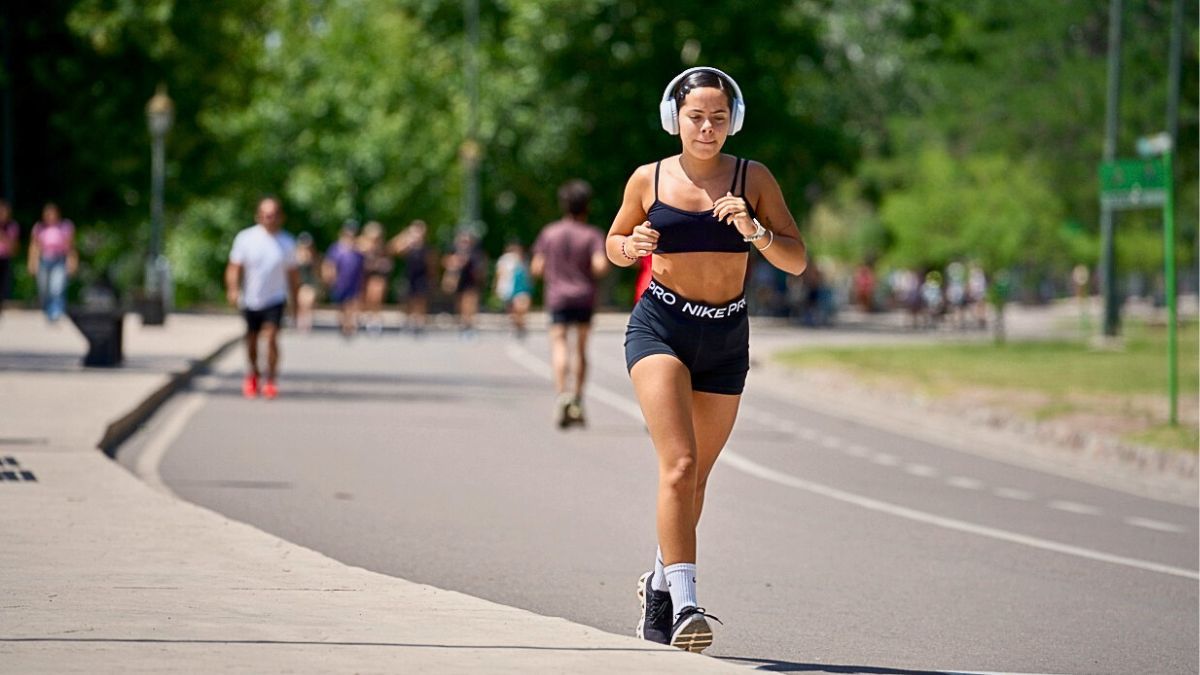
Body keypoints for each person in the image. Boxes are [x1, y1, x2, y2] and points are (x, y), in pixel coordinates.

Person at [606, 67, 806, 652]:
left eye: (719, 118)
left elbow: (796, 260)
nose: (707, 128)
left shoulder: (753, 178)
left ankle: (658, 585)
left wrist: (755, 231)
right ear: (675, 119)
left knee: (696, 480)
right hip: (661, 327)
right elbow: (613, 244)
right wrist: (631, 246)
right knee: (679, 465)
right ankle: (687, 605)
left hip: (725, 337)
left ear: (733, 121)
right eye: (696, 117)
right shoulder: (648, 178)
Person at [531, 180, 608, 428]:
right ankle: (577, 398)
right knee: (581, 349)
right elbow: (600, 266)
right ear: (587, 206)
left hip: (558, 297)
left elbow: (537, 267)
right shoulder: (592, 235)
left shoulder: (549, 233)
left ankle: (562, 394)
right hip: (584, 296)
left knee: (559, 344)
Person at [225, 196, 300, 400]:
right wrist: (233, 289)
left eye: (273, 215)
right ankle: (253, 373)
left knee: (272, 336)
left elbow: (293, 275)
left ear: (280, 217)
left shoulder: (287, 242)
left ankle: (271, 379)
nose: (270, 218)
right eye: (266, 215)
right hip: (251, 298)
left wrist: (295, 302)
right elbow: (234, 268)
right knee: (251, 340)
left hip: (275, 298)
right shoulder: (245, 238)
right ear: (258, 216)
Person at [28, 203, 78, 323]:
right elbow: (34, 246)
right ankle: (46, 310)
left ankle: (56, 312)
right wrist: (32, 262)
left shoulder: (65, 226)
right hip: (44, 260)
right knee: (44, 289)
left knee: (57, 287)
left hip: (59, 260)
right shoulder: (39, 228)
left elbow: (71, 246)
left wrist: (72, 261)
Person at [388, 220, 435, 336]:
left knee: (421, 300)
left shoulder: (426, 247)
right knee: (408, 300)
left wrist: (432, 278)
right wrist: (405, 236)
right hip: (408, 276)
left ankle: (420, 323)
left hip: (422, 276)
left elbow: (431, 264)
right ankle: (409, 321)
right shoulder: (407, 246)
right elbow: (391, 249)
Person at [323, 220, 365, 338]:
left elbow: (363, 265)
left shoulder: (358, 249)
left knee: (352, 303)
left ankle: (350, 325)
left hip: (355, 280)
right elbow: (329, 263)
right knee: (341, 304)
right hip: (340, 281)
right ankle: (343, 323)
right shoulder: (336, 248)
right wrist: (329, 277)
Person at [442, 230, 486, 337]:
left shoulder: (475, 253)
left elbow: (480, 267)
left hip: (471, 281)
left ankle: (469, 325)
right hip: (459, 281)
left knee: (470, 303)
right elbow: (445, 262)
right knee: (460, 304)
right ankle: (463, 324)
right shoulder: (454, 251)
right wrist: (455, 262)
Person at [359, 220, 394, 335]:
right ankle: (367, 316)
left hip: (377, 275)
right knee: (364, 297)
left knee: (376, 295)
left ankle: (375, 319)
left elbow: (388, 260)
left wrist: (383, 264)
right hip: (363, 275)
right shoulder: (360, 245)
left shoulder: (381, 247)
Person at [493, 238, 534, 338]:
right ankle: (518, 326)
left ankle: (521, 325)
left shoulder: (524, 259)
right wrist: (498, 286)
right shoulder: (505, 260)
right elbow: (500, 274)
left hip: (522, 287)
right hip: (510, 287)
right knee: (513, 309)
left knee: (521, 307)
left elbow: (528, 274)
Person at [294, 232, 321, 333]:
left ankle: (307, 323)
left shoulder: (313, 256)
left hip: (310, 283)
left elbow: (316, 271)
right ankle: (301, 322)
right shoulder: (295, 255)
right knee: (301, 304)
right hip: (300, 283)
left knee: (308, 303)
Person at [0, 200, 20, 317]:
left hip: (4, 258)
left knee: (3, 284)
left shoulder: (12, 226)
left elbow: (14, 247)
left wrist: (3, 236)